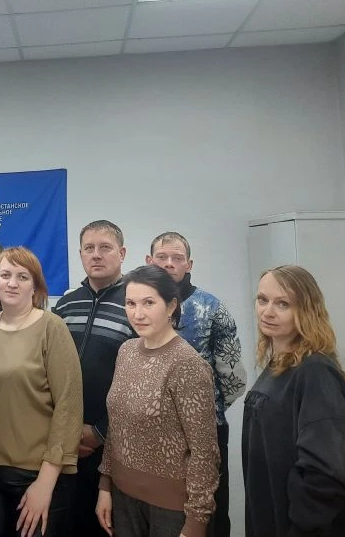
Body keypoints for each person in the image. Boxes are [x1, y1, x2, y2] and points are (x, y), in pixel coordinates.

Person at [243, 265, 345, 537]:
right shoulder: (280, 364)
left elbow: (327, 471)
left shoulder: (315, 371)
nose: (267, 311)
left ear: (307, 310)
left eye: (283, 304)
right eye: (262, 300)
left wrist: (302, 528)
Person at [96, 265, 218, 537]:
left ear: (171, 306)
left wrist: (196, 522)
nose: (137, 314)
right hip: (123, 497)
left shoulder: (187, 364)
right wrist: (105, 485)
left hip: (170, 508)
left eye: (148, 303)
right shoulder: (126, 351)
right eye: (130, 303)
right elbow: (117, 426)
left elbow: (204, 451)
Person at [0, 246, 82, 537]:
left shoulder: (52, 328)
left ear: (35, 286)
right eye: (5, 275)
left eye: (22, 276)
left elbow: (68, 406)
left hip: (37, 475)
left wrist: (45, 483)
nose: (12, 283)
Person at [146, 232, 245, 537]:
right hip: (151, 433)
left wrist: (199, 409)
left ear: (189, 264)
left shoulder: (211, 307)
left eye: (177, 258)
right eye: (162, 257)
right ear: (149, 261)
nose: (169, 263)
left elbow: (233, 379)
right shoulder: (138, 306)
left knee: (208, 513)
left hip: (205, 432)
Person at [52, 220, 133, 537]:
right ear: (80, 254)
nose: (96, 255)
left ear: (122, 253)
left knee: (107, 527)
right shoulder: (65, 305)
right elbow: (48, 370)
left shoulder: (136, 304)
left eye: (105, 247)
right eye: (89, 248)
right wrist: (65, 429)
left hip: (116, 446)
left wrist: (100, 431)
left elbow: (140, 382)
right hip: (65, 441)